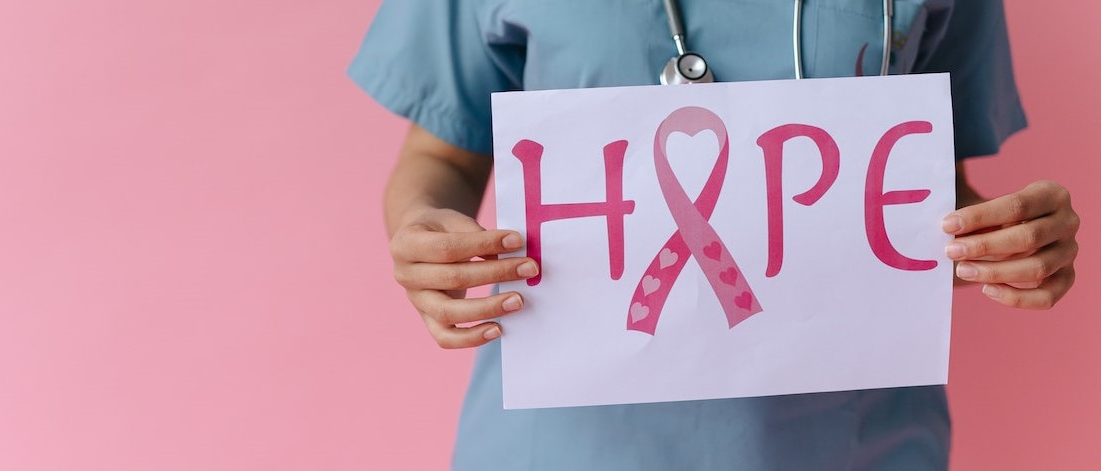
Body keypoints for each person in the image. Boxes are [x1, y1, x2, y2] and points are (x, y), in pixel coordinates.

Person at [349, 0, 1080, 469]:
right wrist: (422, 233)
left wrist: (1007, 242)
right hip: (564, 444)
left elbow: (922, 195)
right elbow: (440, 156)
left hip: (849, 444)